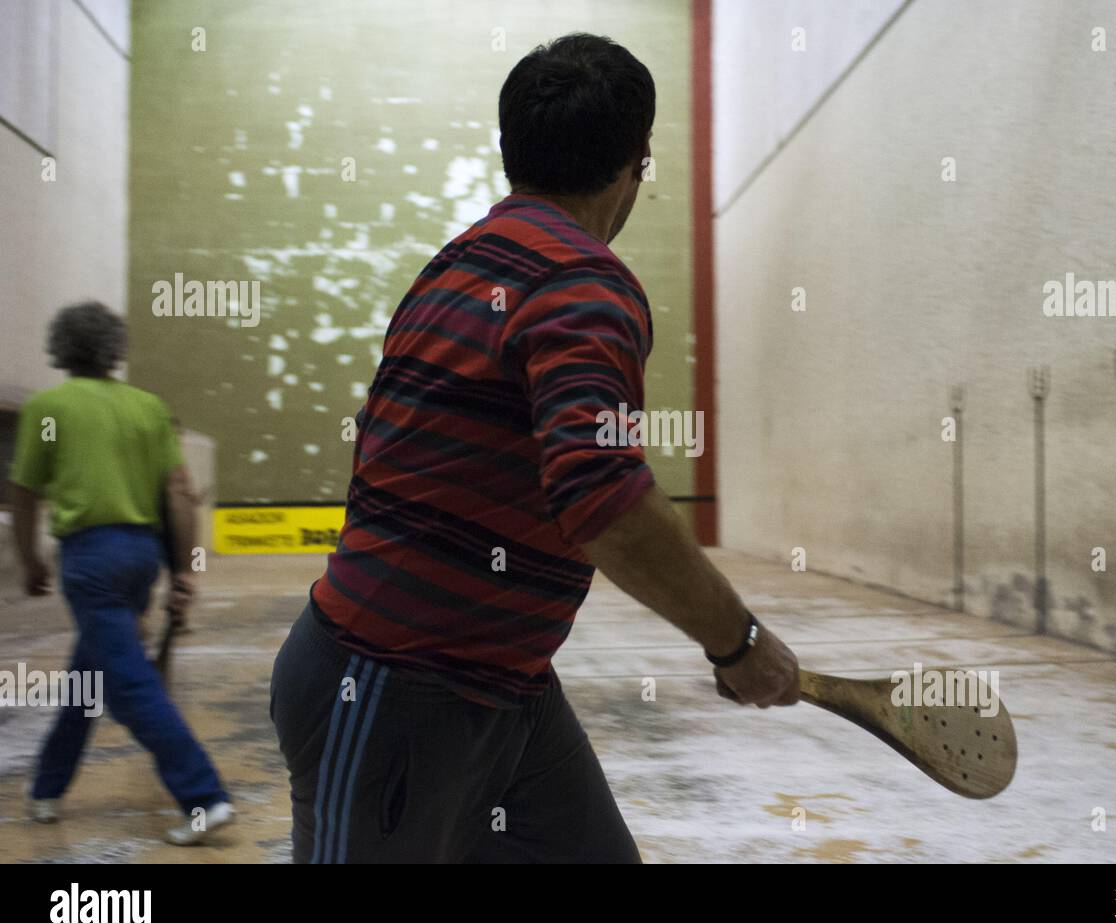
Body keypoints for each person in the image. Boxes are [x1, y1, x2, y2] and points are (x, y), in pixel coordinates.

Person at [270, 33, 800, 864]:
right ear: (638, 162)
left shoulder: (455, 264)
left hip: (503, 688)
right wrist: (738, 642)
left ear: (511, 148)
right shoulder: (587, 284)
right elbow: (603, 497)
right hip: (389, 686)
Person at [9, 301, 233, 845]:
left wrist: (30, 560)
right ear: (115, 349)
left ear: (60, 348)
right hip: (141, 556)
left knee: (130, 684)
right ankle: (46, 789)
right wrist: (183, 571)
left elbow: (24, 492)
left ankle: (205, 797)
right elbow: (179, 493)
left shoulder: (48, 407)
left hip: (90, 560)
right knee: (90, 676)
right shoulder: (149, 408)